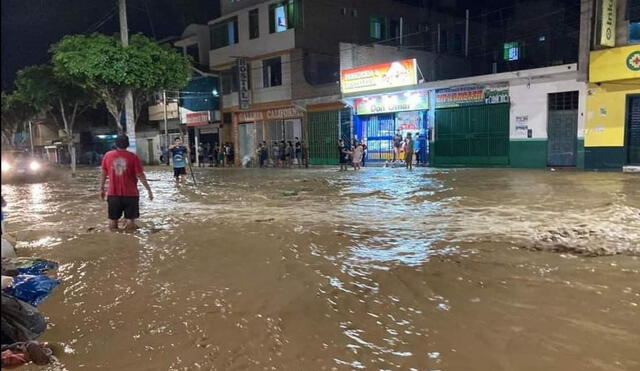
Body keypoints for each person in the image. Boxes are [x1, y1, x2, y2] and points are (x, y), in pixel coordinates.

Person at [99, 135, 153, 232]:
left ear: (115, 144)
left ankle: (114, 241)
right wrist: (148, 190)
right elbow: (140, 175)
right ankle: (130, 242)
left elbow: (103, 173)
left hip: (113, 194)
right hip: (131, 194)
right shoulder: (133, 157)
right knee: (130, 221)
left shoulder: (108, 156)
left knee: (113, 221)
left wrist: (101, 189)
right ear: (127, 144)